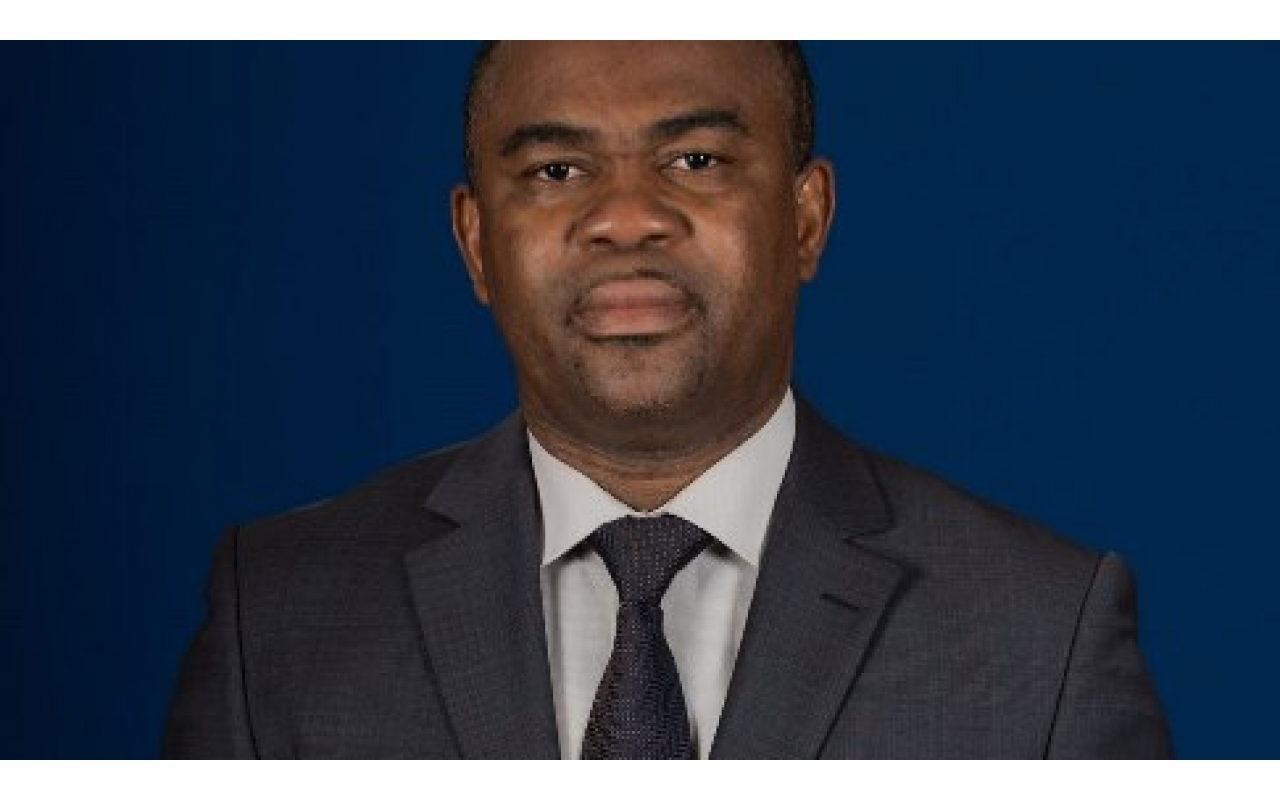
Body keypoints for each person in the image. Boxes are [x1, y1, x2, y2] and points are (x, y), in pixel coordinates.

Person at [164, 41, 1171, 759]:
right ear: (474, 242)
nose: (626, 217)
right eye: (556, 169)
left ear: (805, 217)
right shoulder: (280, 613)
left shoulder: (1039, 632)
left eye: (695, 160)